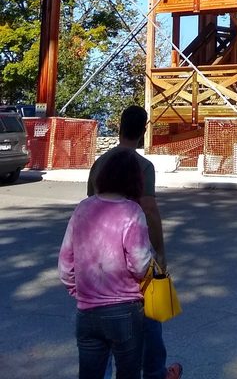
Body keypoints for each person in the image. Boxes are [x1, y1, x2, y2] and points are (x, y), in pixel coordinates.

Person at [88, 106, 182, 379]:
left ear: (119, 127)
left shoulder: (99, 163)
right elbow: (150, 210)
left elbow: (90, 207)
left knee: (102, 321)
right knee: (148, 317)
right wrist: (161, 253)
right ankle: (155, 373)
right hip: (133, 250)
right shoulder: (143, 166)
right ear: (144, 131)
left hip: (100, 255)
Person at [59, 148, 152, 379]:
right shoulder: (132, 212)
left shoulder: (83, 208)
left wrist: (78, 292)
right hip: (124, 311)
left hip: (87, 312)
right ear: (134, 180)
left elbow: (65, 265)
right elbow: (139, 265)